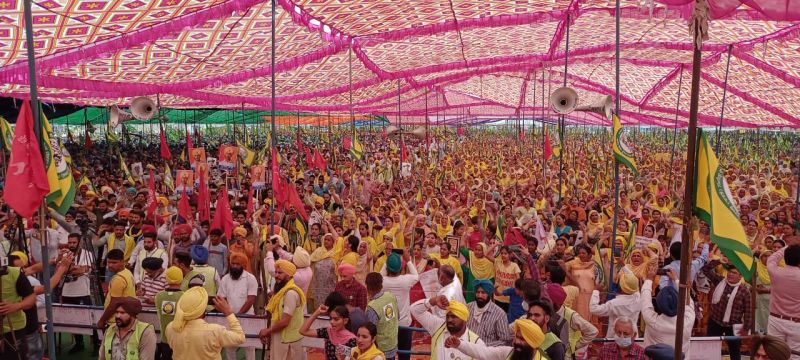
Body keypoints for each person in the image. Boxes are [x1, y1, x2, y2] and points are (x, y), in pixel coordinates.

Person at [165, 286, 245, 360]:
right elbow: (240, 337)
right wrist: (228, 312)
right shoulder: (215, 331)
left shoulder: (171, 327)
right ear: (202, 308)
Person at [702, 261, 752, 360]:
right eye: (729, 271)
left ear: (740, 276)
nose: (730, 274)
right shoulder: (720, 280)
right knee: (710, 347)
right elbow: (705, 269)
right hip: (715, 321)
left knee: (735, 350)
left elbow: (748, 311)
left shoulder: (744, 291)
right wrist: (718, 261)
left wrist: (746, 328)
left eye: (734, 273)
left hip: (733, 325)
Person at [258, 259, 307, 360]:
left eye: (280, 273)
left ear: (289, 275)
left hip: (289, 343)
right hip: (281, 339)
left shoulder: (290, 294)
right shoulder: (281, 293)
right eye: (275, 272)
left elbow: (285, 321)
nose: (276, 275)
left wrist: (268, 331)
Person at [410, 296, 484, 360]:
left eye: (454, 317)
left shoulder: (476, 343)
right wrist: (434, 301)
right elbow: (414, 309)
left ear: (464, 320)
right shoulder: (438, 326)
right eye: (447, 316)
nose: (449, 320)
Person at [641, 267, 694, 355]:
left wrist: (649, 279)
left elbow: (645, 299)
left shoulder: (652, 321)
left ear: (658, 304)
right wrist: (676, 279)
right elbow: (688, 300)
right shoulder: (688, 319)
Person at [61, 232, 99, 353]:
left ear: (79, 243)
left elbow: (84, 269)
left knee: (89, 319)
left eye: (74, 242)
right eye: (70, 242)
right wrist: (74, 269)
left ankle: (96, 345)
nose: (71, 245)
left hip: (83, 291)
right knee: (72, 320)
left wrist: (69, 268)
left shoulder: (88, 254)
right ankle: (79, 343)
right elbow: (60, 269)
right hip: (67, 291)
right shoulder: (64, 254)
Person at [379, 252, 419, 360]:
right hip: (404, 323)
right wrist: (409, 260)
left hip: (388, 323)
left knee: (388, 354)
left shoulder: (382, 281)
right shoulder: (406, 280)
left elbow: (379, 275)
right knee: (404, 353)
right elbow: (416, 276)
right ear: (401, 268)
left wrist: (386, 261)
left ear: (387, 267)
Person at [218, 253, 258, 360]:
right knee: (229, 346)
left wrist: (239, 315)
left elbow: (251, 300)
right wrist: (230, 314)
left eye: (238, 264)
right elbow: (222, 298)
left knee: (249, 346)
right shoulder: (225, 279)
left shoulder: (251, 278)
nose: (235, 266)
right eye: (233, 264)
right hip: (229, 318)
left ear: (244, 265)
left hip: (247, 318)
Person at [447, 319, 545, 360]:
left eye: (523, 339)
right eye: (517, 337)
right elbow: (484, 352)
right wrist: (460, 344)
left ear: (534, 344)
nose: (517, 342)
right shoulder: (509, 352)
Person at [766, 241, 800, 359]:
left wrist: (787, 247)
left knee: (774, 355)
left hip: (775, 320)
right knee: (795, 356)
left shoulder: (775, 271)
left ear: (785, 258)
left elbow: (771, 258)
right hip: (796, 323)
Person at [546, 283, 597, 359]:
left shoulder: (571, 315)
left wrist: (575, 346)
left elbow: (593, 331)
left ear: (555, 304)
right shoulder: (545, 312)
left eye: (547, 301)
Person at [589, 270, 642, 337]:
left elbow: (593, 309)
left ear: (621, 286)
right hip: (632, 336)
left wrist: (596, 291)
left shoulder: (615, 304)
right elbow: (632, 281)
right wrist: (624, 267)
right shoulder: (638, 297)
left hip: (615, 337)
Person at [466, 279, 510, 347]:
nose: (480, 296)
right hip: (467, 349)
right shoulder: (468, 308)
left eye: (483, 293)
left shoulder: (500, 314)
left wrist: (483, 346)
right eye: (478, 292)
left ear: (489, 294)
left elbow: (505, 341)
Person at [365, 272, 398, 359]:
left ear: (367, 287)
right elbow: (397, 317)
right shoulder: (391, 296)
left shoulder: (372, 307)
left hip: (380, 351)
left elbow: (370, 332)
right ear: (381, 285)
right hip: (393, 343)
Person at [154, 266, 184, 360]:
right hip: (180, 340)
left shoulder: (158, 296)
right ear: (181, 278)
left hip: (165, 340)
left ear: (167, 279)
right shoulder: (185, 296)